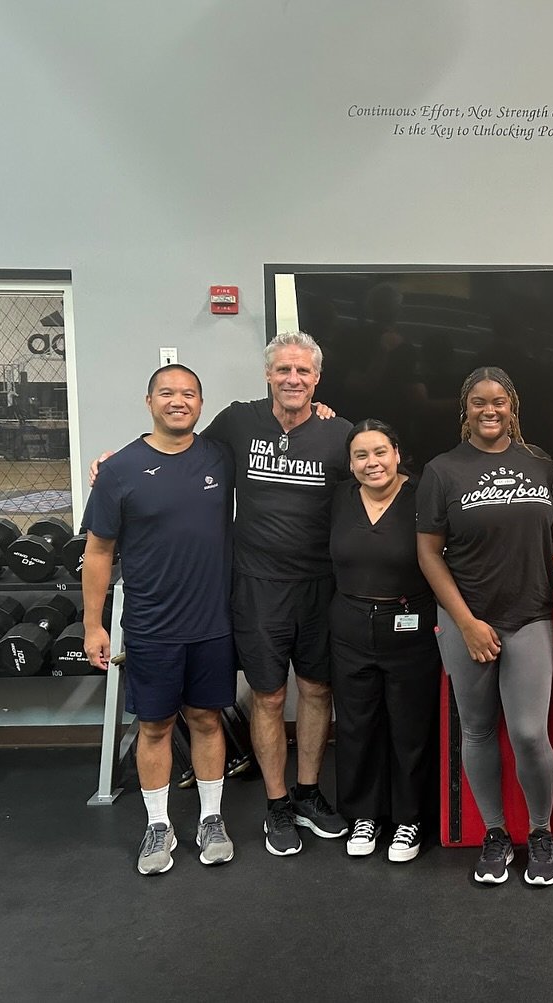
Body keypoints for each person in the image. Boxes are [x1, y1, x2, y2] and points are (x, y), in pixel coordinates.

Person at [200, 332, 354, 855]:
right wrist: (119, 461)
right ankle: (277, 802)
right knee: (267, 696)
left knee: (317, 690)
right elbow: (185, 452)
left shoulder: (338, 434)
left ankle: (308, 793)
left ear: (317, 379)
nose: (293, 379)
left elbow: (380, 479)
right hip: (257, 584)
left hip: (321, 585)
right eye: (284, 370)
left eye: (303, 371)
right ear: (268, 374)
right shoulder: (238, 422)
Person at [81, 364, 235, 875]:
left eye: (189, 393)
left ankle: (211, 818)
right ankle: (158, 825)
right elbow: (98, 551)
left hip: (213, 621)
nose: (178, 401)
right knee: (154, 726)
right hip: (152, 625)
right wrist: (93, 624)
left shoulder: (220, 456)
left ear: (201, 403)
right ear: (149, 401)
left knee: (207, 720)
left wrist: (320, 409)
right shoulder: (120, 469)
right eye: (167, 392)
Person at [416, 367, 553, 886]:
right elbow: (429, 555)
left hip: (529, 615)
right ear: (466, 409)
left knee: (529, 733)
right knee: (476, 729)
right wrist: (467, 623)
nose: (490, 410)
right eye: (479, 402)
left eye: (499, 401)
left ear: (512, 406)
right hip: (466, 619)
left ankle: (540, 831)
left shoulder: (542, 464)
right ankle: (495, 834)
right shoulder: (442, 471)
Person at [329, 419, 441, 862]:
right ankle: (364, 815)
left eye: (380, 452)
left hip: (410, 625)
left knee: (410, 727)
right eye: (361, 455)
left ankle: (409, 819)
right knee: (356, 726)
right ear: (350, 463)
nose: (371, 462)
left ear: (397, 453)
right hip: (350, 627)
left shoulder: (423, 495)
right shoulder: (339, 498)